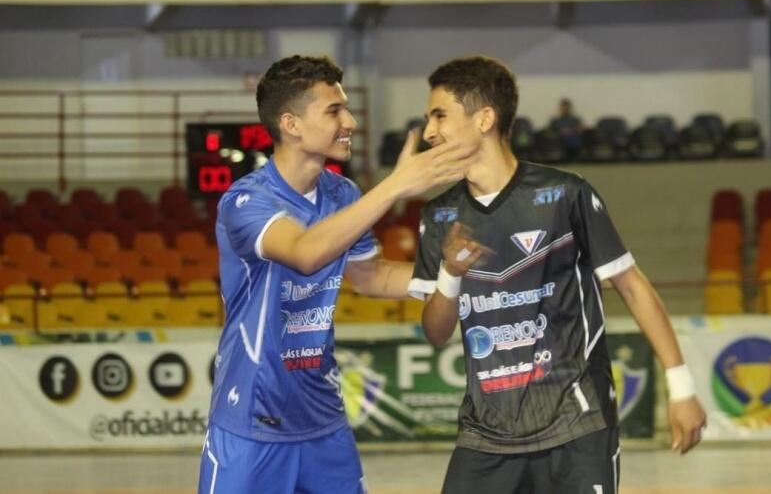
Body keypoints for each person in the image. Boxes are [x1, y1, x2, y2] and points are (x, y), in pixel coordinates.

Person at [409, 56, 706, 493]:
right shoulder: (440, 216)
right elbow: (435, 334)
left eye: (439, 115)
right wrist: (451, 275)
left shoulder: (566, 194)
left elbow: (633, 286)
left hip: (577, 426)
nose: (429, 132)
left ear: (485, 119)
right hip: (484, 437)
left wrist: (680, 386)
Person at [198, 55, 469, 494]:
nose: (351, 121)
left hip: (324, 422)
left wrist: (460, 275)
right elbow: (305, 253)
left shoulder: (342, 194)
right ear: (291, 124)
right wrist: (396, 185)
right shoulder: (246, 201)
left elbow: (371, 276)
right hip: (251, 423)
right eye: (333, 111)